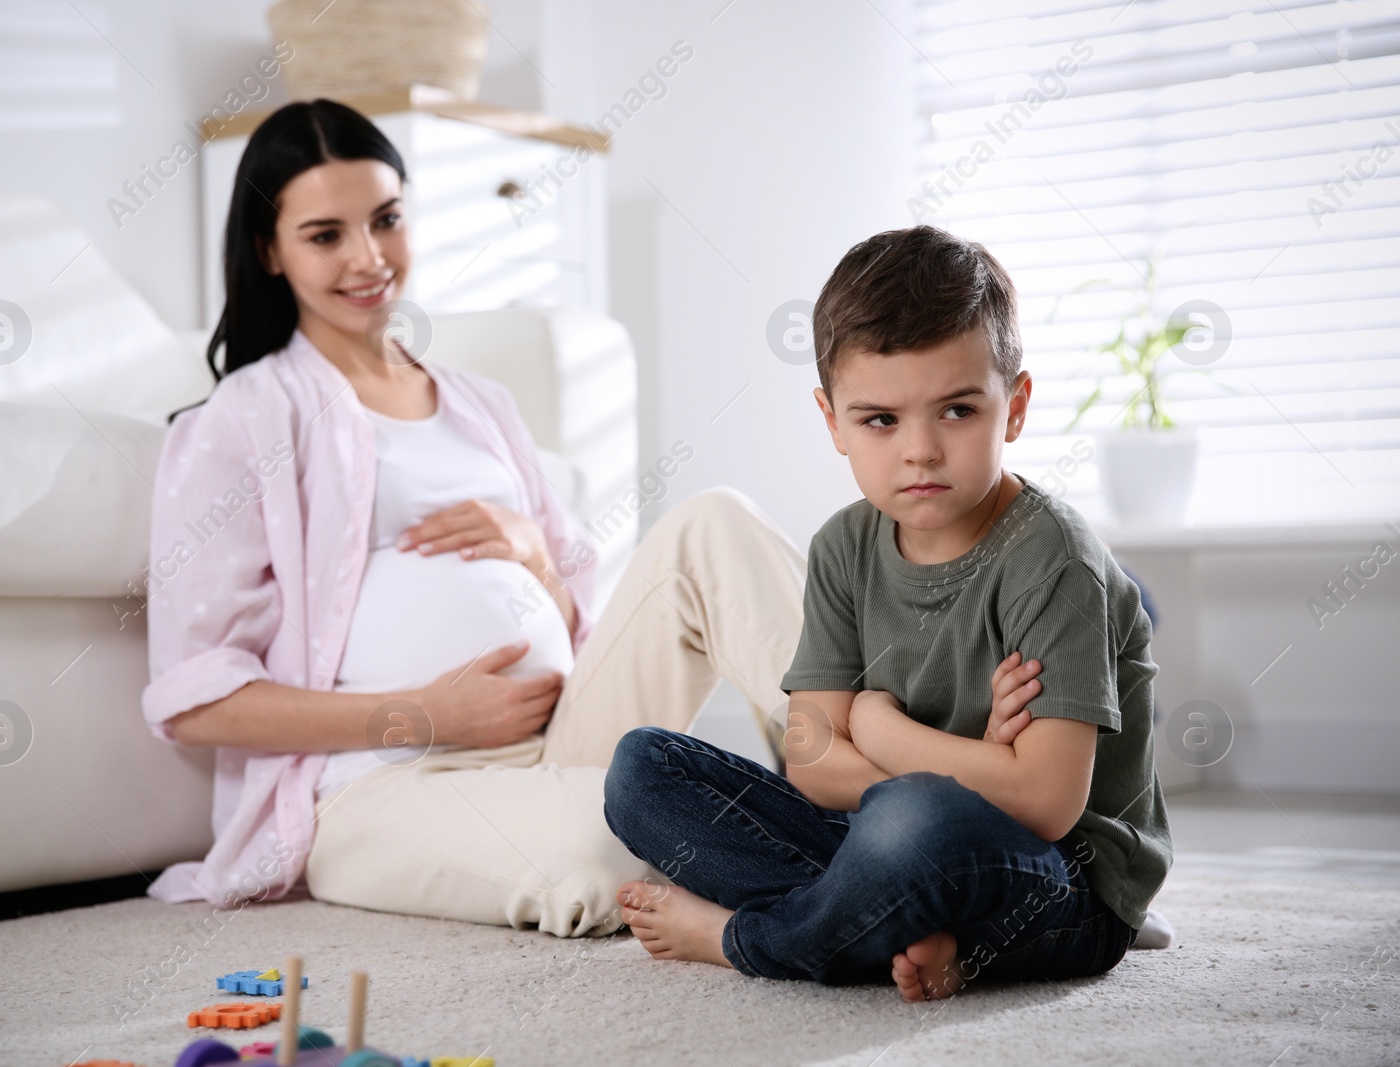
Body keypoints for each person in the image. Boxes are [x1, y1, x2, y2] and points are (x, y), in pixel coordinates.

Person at [139, 99, 810, 937]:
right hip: (378, 786)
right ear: (269, 250)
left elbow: (579, 621)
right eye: (325, 234)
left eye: (386, 219)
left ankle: (871, 783)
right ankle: (857, 873)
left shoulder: (481, 407)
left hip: (564, 734)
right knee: (601, 850)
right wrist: (419, 714)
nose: (369, 257)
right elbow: (197, 698)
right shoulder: (243, 419)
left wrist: (535, 555)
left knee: (716, 520)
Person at [602, 225, 1174, 998]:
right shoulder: (844, 545)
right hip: (888, 839)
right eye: (880, 419)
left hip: (1062, 880)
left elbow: (1043, 801)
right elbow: (809, 761)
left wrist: (881, 729)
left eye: (958, 411)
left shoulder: (1054, 558)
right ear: (831, 420)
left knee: (910, 822)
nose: (921, 450)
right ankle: (897, 923)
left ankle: (748, 937)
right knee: (643, 770)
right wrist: (980, 759)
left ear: (1015, 406)